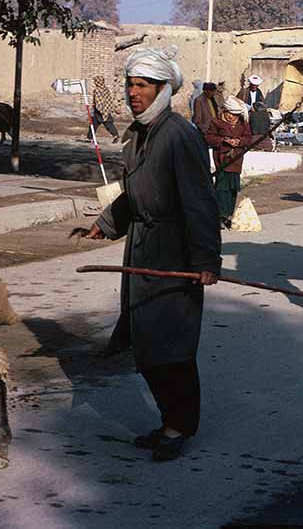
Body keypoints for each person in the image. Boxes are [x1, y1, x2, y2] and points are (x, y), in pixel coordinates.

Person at [86, 46, 221, 463]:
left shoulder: (179, 135)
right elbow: (135, 194)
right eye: (129, 84)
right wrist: (107, 223)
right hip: (143, 249)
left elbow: (201, 203)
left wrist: (205, 262)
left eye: (142, 85)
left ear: (164, 89)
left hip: (174, 253)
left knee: (171, 346)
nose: (132, 92)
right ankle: (168, 421)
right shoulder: (141, 133)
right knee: (146, 343)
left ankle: (180, 426)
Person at [204, 96, 253, 229]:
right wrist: (223, 141)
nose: (232, 117)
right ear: (225, 111)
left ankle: (228, 215)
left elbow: (248, 139)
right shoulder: (216, 122)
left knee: (232, 189)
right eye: (230, 113)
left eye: (235, 114)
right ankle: (219, 215)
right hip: (222, 160)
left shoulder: (243, 123)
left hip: (236, 160)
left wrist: (239, 142)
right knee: (221, 188)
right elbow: (209, 137)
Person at [88, 75, 121, 144]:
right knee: (108, 124)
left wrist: (100, 109)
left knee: (93, 124)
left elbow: (98, 102)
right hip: (106, 109)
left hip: (98, 110)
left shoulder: (97, 90)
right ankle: (115, 135)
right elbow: (109, 100)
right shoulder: (106, 89)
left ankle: (90, 138)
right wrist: (112, 108)